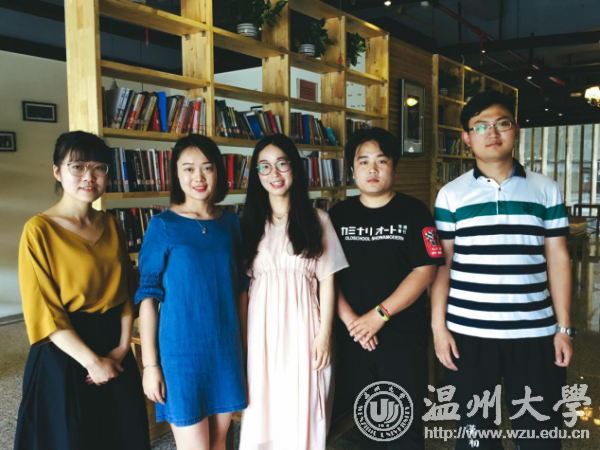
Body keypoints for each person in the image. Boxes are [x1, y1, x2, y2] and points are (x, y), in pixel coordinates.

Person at [432, 90, 573, 450]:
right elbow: (443, 266)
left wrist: (564, 328)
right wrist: (438, 328)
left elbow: (558, 258)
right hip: (468, 333)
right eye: (480, 126)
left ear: (516, 129)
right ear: (467, 137)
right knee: (476, 435)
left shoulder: (545, 190)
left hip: (535, 332)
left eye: (502, 123)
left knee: (540, 433)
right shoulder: (450, 195)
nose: (492, 133)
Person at [14, 131, 150, 450]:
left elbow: (126, 292)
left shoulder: (112, 223)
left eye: (99, 167)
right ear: (57, 172)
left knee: (123, 433)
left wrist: (121, 348)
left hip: (114, 345)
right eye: (77, 166)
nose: (89, 177)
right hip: (65, 349)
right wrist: (92, 362)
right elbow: (45, 312)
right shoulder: (38, 230)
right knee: (71, 437)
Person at [328, 127, 444, 450]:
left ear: (394, 166)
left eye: (381, 160)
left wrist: (379, 315)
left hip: (402, 337)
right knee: (366, 426)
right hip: (354, 339)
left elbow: (426, 269)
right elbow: (328, 276)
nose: (372, 169)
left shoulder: (415, 211)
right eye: (363, 161)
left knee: (404, 424)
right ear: (352, 170)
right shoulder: (337, 216)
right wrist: (353, 322)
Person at [136, 134, 247, 450]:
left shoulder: (233, 224)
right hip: (181, 355)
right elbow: (148, 298)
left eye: (207, 167)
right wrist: (150, 366)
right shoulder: (162, 225)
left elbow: (241, 291)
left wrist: (244, 351)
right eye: (188, 168)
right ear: (176, 174)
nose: (198, 177)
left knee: (220, 442)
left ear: (218, 172)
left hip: (225, 351)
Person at [238, 134, 348, 450]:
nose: (274, 173)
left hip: (304, 328)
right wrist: (242, 341)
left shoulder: (318, 220)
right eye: (264, 166)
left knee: (304, 402)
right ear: (256, 175)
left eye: (281, 164)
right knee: (263, 403)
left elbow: (328, 280)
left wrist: (324, 335)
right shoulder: (248, 225)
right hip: (261, 331)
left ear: (295, 168)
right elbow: (242, 290)